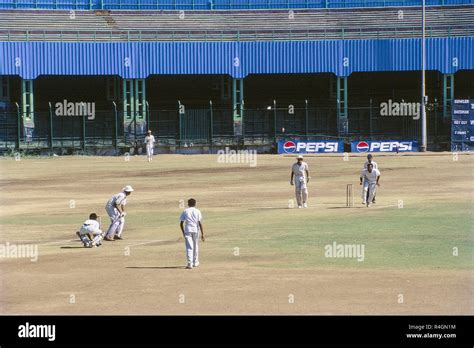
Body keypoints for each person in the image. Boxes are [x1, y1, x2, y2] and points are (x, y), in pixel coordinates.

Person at [179, 198, 205, 269]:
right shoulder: (197, 211)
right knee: (195, 246)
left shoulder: (185, 211)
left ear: (188, 204)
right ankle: (195, 262)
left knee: (189, 247)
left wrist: (183, 232)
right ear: (195, 204)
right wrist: (202, 234)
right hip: (195, 230)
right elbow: (200, 223)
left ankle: (190, 263)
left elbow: (181, 223)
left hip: (187, 230)